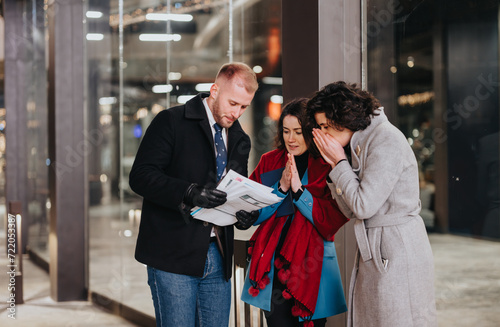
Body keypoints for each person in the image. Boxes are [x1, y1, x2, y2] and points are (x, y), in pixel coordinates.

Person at [129, 62, 260, 327]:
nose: (237, 113)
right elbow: (141, 176)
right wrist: (188, 192)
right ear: (214, 90)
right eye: (233, 103)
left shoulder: (239, 139)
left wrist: (244, 214)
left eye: (244, 107)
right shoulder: (171, 121)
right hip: (172, 254)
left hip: (218, 255)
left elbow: (235, 188)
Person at [309, 82, 437, 326]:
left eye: (327, 126)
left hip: (397, 245)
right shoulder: (357, 145)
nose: (323, 134)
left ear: (345, 117)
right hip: (377, 242)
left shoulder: (386, 139)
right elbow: (350, 208)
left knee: (399, 318)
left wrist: (338, 162)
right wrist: (338, 164)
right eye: (320, 127)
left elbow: (363, 206)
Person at [240, 98, 349, 327]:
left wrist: (299, 192)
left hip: (312, 266)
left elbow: (329, 221)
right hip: (272, 263)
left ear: (311, 132)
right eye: (286, 131)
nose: (291, 139)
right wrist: (280, 189)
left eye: (298, 132)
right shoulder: (270, 161)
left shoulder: (328, 164)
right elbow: (253, 211)